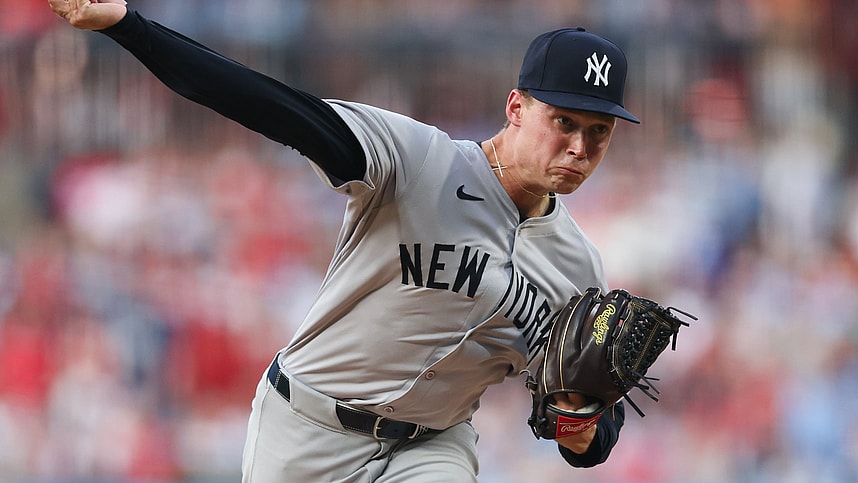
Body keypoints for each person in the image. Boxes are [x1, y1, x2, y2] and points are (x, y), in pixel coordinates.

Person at [49, 1, 640, 481]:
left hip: (430, 449)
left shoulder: (577, 268)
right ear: (516, 107)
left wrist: (577, 424)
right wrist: (130, 28)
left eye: (598, 132)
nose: (579, 148)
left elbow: (590, 439)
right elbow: (267, 104)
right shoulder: (416, 161)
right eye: (563, 121)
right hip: (307, 429)